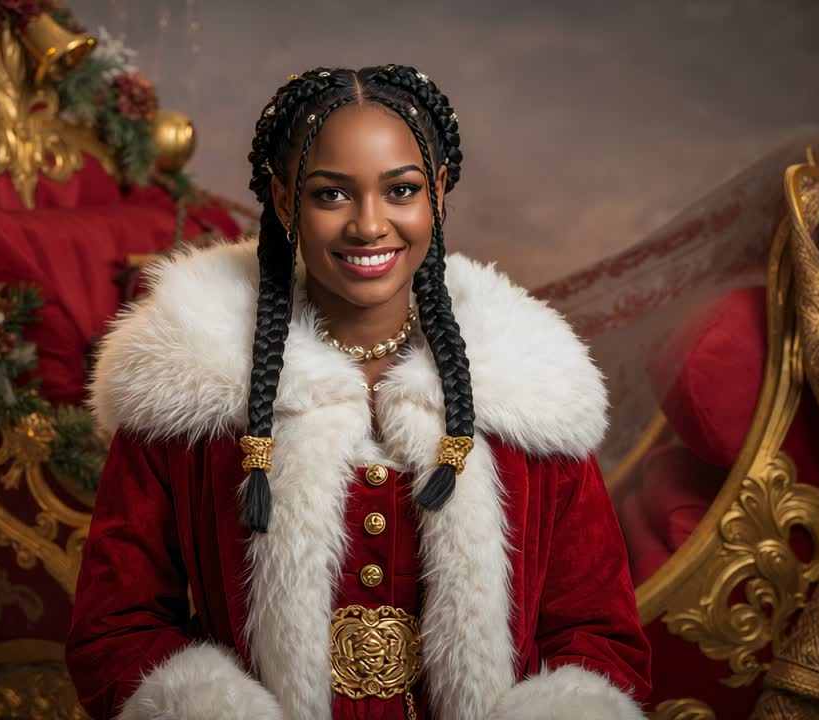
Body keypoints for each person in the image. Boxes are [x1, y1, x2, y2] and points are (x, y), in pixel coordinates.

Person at [66, 65, 651, 720]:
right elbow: (115, 630)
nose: (370, 225)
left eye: (401, 190)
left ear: (438, 193)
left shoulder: (527, 392)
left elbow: (598, 636)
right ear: (284, 201)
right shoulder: (192, 390)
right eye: (332, 194)